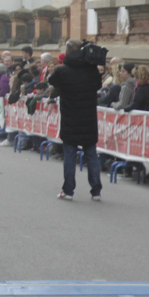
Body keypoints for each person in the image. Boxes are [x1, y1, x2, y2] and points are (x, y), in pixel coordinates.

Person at [49, 39, 106, 201]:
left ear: (67, 51)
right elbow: (97, 86)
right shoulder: (91, 69)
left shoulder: (63, 70)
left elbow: (53, 82)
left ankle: (68, 190)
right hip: (88, 117)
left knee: (69, 155)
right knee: (91, 154)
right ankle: (96, 190)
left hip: (70, 116)